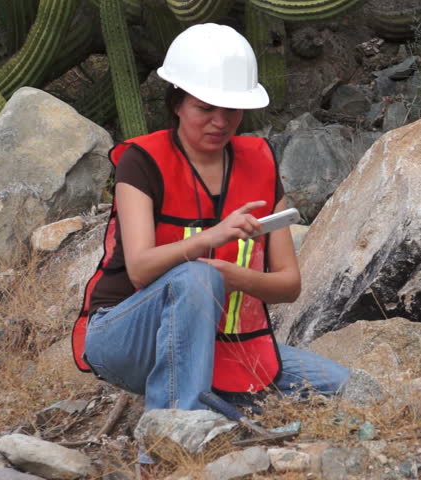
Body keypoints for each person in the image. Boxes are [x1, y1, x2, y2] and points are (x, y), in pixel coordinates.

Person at [70, 24, 350, 420]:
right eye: (205, 108)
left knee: (337, 384)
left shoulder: (260, 162)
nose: (220, 122)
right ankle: (176, 430)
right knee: (197, 278)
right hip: (122, 338)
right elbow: (140, 267)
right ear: (178, 104)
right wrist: (211, 242)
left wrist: (229, 276)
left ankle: (215, 403)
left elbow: (289, 285)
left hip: (219, 345)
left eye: (231, 109)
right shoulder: (142, 161)